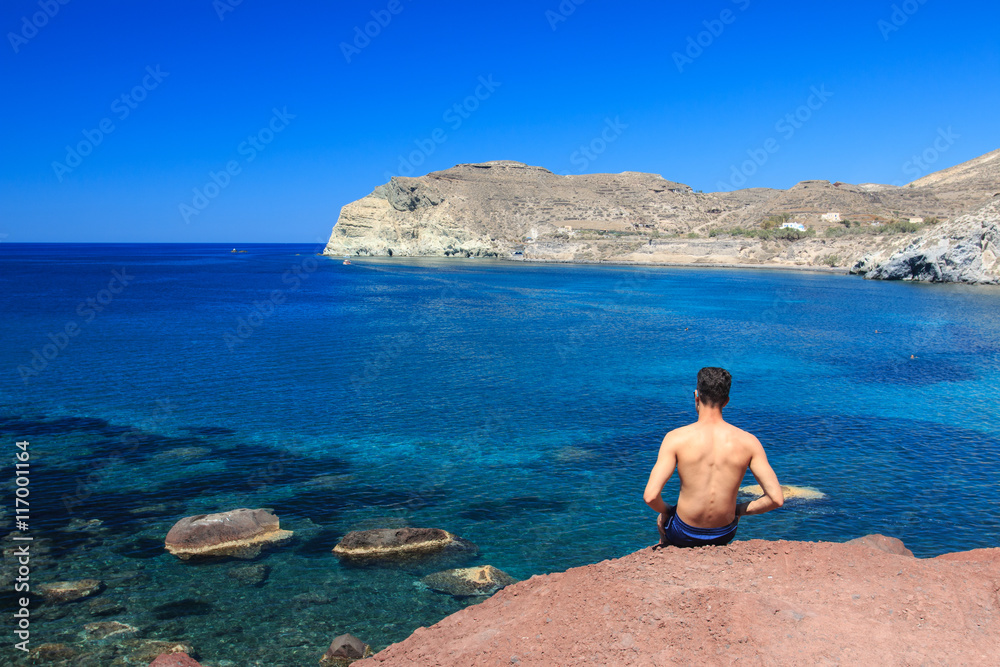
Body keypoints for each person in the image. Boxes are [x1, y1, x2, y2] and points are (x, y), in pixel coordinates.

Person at [643, 367, 784, 547]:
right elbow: (776, 499)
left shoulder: (675, 438)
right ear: (726, 401)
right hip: (724, 533)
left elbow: (650, 497)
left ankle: (666, 550)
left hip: (683, 532)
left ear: (696, 396)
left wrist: (669, 511)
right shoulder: (749, 442)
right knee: (730, 519)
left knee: (660, 519)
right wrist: (738, 510)